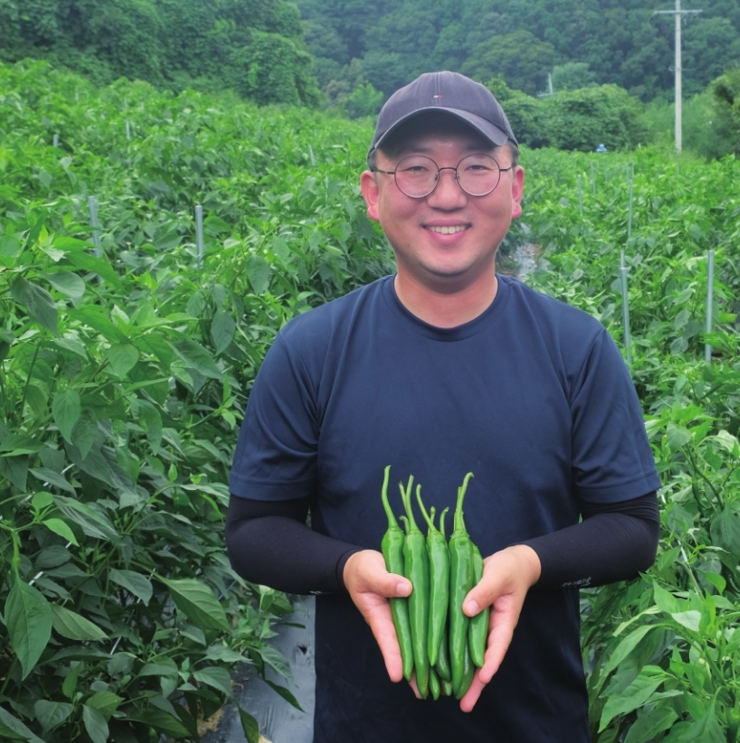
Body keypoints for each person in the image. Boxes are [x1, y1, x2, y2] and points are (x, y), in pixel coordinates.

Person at [224, 70, 661, 743]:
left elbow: (631, 526)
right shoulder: (311, 350)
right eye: (416, 170)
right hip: (364, 726)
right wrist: (346, 568)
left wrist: (530, 563)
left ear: (515, 189)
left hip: (537, 725)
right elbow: (255, 531)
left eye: (477, 168)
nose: (448, 194)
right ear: (373, 193)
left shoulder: (577, 348)